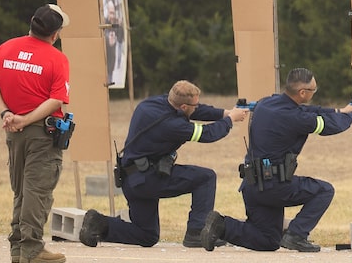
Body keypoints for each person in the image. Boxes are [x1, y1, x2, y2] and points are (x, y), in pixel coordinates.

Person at [199, 68, 352, 252]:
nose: (314, 93)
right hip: (274, 186)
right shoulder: (295, 117)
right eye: (313, 90)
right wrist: (351, 117)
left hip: (253, 185)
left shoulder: (266, 103)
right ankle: (296, 235)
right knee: (324, 190)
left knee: (268, 240)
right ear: (303, 92)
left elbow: (308, 110)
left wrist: (340, 110)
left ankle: (222, 226)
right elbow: (328, 126)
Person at [77, 81, 248, 249]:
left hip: (132, 179)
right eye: (193, 106)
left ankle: (98, 224)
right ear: (183, 107)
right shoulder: (172, 125)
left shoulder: (152, 103)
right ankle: (196, 232)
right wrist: (230, 120)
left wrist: (225, 113)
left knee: (146, 235)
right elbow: (207, 134)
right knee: (206, 178)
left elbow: (197, 109)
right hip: (148, 179)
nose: (197, 108)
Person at [0, 4, 72, 263]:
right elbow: (56, 100)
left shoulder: (6, 48)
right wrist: (28, 119)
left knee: (21, 189)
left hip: (13, 132)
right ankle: (32, 248)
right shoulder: (57, 58)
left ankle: (18, 246)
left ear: (31, 24)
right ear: (55, 35)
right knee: (38, 189)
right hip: (42, 133)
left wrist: (6, 114)